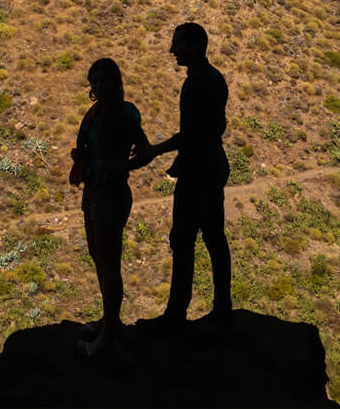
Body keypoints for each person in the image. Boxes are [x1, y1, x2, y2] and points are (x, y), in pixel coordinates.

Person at [135, 21, 233, 330]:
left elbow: (191, 134)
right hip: (212, 165)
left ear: (193, 46)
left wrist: (155, 151)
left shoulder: (195, 84)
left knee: (183, 239)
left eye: (177, 44)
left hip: (198, 170)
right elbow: (216, 128)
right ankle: (222, 308)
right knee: (214, 237)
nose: (172, 50)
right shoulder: (214, 78)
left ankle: (176, 315)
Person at [69, 57, 150, 356]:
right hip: (93, 190)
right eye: (95, 81)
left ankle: (107, 339)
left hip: (110, 194)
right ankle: (110, 323)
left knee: (110, 262)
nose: (99, 85)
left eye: (104, 80)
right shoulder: (98, 113)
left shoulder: (123, 113)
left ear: (116, 81)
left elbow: (143, 149)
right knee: (99, 257)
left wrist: (120, 166)